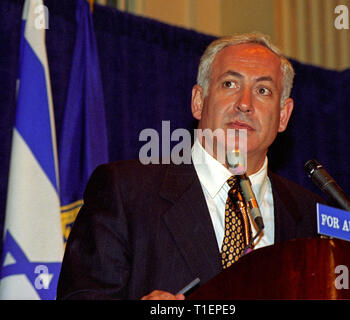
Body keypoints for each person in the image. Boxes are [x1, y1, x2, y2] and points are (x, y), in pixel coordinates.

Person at [57, 32, 326, 300]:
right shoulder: (125, 192)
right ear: (198, 101)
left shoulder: (311, 217)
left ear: (283, 115)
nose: (245, 103)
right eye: (230, 84)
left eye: (263, 90)